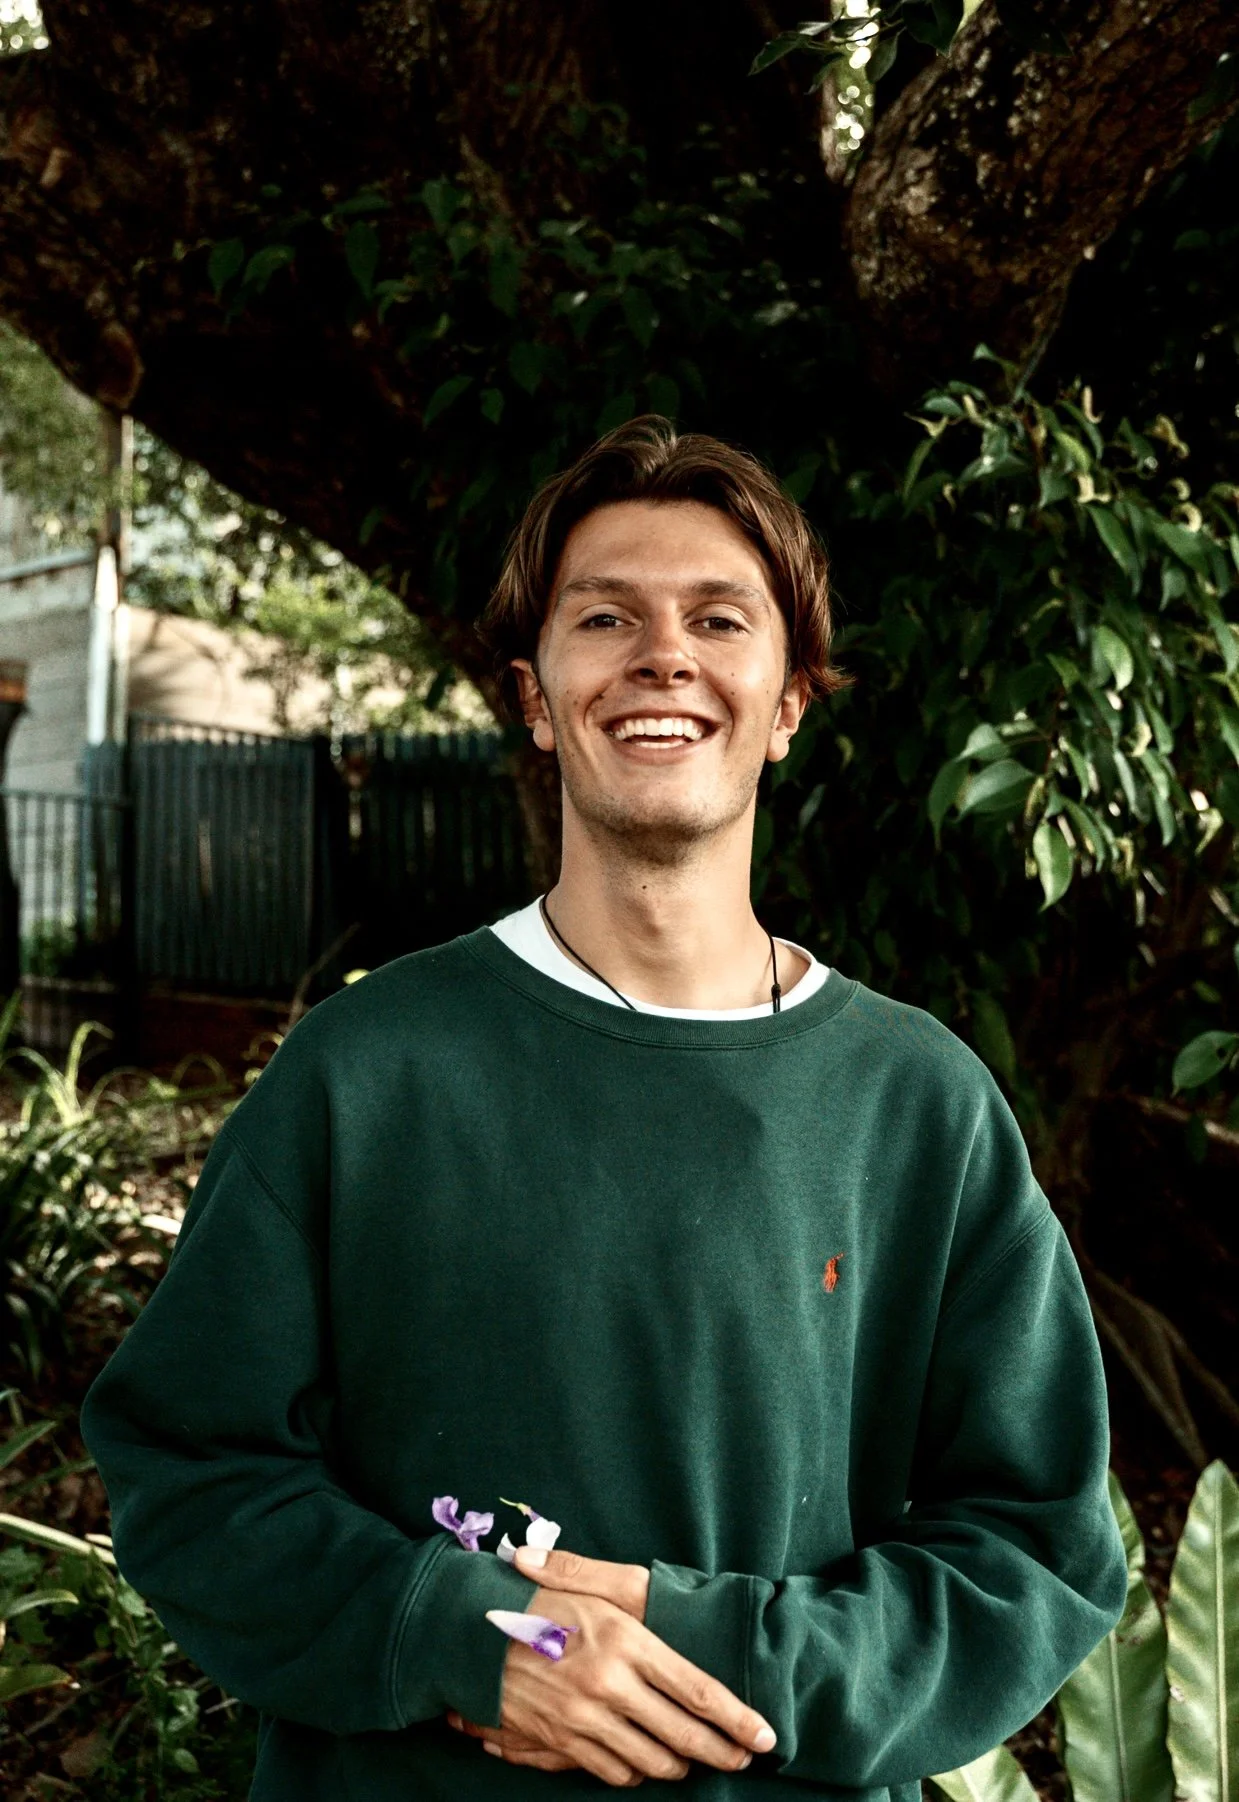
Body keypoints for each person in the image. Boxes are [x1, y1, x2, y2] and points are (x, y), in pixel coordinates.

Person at [79, 415, 1128, 1801]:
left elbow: (1037, 1547)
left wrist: (712, 1652)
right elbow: (191, 1464)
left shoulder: (915, 1104)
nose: (662, 655)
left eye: (716, 617)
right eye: (603, 617)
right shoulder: (364, 1070)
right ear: (533, 692)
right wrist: (466, 1634)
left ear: (790, 699)